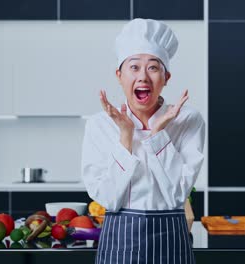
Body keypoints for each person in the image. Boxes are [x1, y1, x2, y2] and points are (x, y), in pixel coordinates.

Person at [81, 18, 205, 264]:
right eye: (134, 67)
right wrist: (126, 137)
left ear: (166, 77)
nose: (143, 77)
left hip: (172, 242)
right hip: (118, 243)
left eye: (153, 68)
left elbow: (176, 195)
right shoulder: (99, 124)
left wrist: (158, 134)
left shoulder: (188, 120)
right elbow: (107, 198)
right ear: (119, 75)